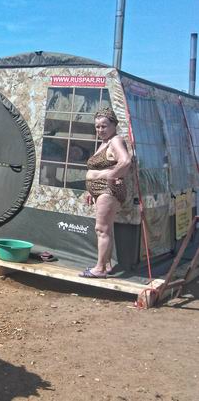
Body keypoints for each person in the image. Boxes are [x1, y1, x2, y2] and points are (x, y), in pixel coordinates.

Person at [80, 107, 131, 278]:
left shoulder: (116, 140)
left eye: (104, 126)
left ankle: (100, 269)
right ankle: (107, 264)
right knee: (105, 229)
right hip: (99, 190)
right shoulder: (104, 143)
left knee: (102, 229)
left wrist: (111, 176)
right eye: (97, 127)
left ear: (114, 125)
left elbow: (125, 161)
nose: (100, 130)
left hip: (107, 189)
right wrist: (90, 189)